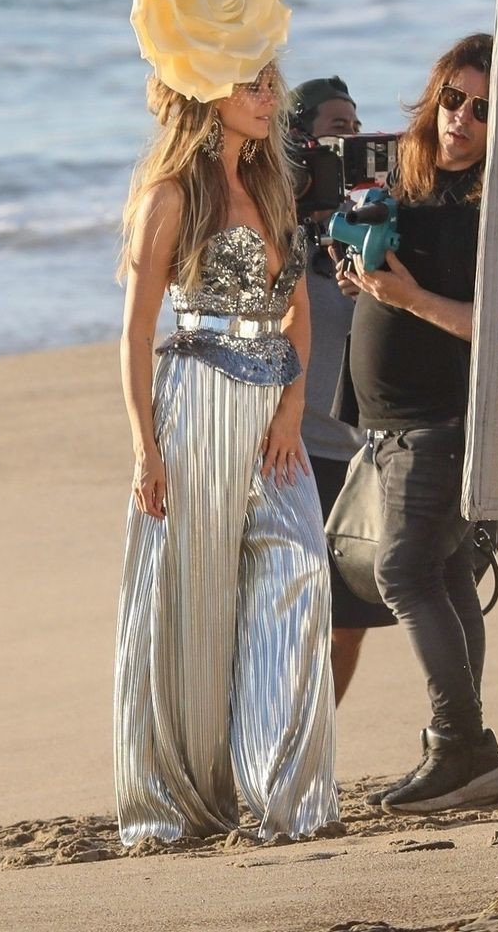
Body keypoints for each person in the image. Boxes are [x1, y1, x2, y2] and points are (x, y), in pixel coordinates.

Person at [114, 46, 337, 842]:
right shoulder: (171, 195)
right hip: (197, 404)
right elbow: (136, 334)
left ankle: (285, 797)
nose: (270, 96)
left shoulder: (274, 187)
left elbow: (297, 312)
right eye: (252, 84)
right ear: (208, 95)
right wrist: (146, 449)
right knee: (194, 600)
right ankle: (180, 802)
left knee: (301, 569)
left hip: (272, 413)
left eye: (271, 82)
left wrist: (293, 407)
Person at [334, 33, 498, 813]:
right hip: (390, 421)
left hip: (442, 420)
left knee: (404, 573)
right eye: (452, 100)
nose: (461, 119)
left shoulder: (495, 205)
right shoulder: (409, 185)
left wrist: (407, 299)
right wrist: (357, 270)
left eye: (482, 109)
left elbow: (497, 326)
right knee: (442, 573)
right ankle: (466, 751)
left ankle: (460, 746)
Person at [289, 76, 397, 705]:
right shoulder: (276, 227)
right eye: (337, 129)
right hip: (297, 453)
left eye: (357, 130)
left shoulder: (372, 223)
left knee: (351, 621)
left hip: (362, 451)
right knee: (294, 614)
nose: (350, 141)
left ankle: (315, 736)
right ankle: (274, 732)